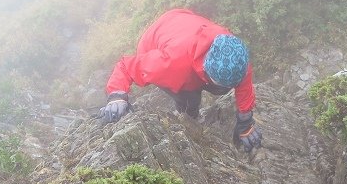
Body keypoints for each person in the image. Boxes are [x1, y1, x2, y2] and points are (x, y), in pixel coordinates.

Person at [100, 8, 263, 151]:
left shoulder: (234, 53)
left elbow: (244, 84)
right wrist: (117, 96)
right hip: (155, 40)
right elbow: (126, 66)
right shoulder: (171, 64)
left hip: (182, 20)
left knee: (221, 86)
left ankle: (193, 108)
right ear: (206, 70)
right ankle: (189, 115)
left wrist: (245, 121)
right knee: (188, 96)